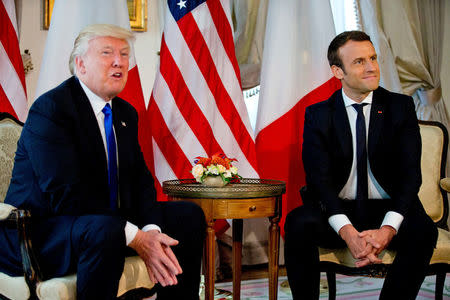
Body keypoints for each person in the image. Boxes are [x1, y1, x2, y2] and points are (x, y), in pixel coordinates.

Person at [0, 24, 205, 300]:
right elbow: (66, 195)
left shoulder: (125, 113)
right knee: (106, 229)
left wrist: (151, 232)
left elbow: (141, 182)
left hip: (100, 223)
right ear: (80, 64)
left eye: (123, 53)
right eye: (107, 53)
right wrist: (135, 237)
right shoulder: (51, 110)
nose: (119, 62)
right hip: (44, 231)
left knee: (188, 217)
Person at [284, 30, 438, 299]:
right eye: (359, 61)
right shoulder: (319, 114)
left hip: (389, 207)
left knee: (423, 230)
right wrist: (347, 232)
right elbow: (319, 181)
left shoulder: (400, 107)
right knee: (297, 223)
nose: (371, 67)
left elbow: (410, 175)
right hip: (339, 209)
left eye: (373, 58)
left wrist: (388, 229)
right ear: (337, 71)